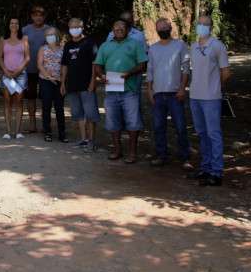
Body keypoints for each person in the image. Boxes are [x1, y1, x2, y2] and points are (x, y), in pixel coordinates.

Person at [95, 19, 148, 162]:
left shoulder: (135, 44)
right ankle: (117, 149)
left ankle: (132, 152)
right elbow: (98, 65)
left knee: (133, 122)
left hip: (129, 90)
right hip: (111, 90)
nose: (120, 29)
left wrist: (130, 73)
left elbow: (143, 64)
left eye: (123, 27)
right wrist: (101, 76)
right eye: (117, 26)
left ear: (127, 30)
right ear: (112, 29)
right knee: (113, 122)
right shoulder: (105, 46)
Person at [187, 15, 231, 186]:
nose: (202, 26)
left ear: (212, 28)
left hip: (211, 98)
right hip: (195, 97)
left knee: (214, 134)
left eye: (205, 24)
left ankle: (216, 172)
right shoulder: (194, 47)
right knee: (202, 133)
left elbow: (226, 73)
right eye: (199, 24)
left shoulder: (218, 46)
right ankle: (205, 168)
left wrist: (214, 88)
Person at [146, 17, 192, 171]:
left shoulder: (180, 45)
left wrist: (182, 88)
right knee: (159, 127)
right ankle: (161, 156)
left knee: (180, 127)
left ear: (170, 27)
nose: (162, 30)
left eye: (164, 27)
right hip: (158, 94)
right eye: (159, 28)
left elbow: (186, 68)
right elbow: (150, 70)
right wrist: (149, 90)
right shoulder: (153, 48)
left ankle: (185, 158)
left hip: (174, 94)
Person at [60, 18, 101, 153]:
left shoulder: (89, 42)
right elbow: (65, 65)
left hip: (86, 84)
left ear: (82, 28)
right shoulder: (68, 45)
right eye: (71, 27)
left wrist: (93, 81)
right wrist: (63, 82)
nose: (74, 29)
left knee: (90, 114)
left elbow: (95, 63)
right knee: (78, 114)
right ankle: (83, 138)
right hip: (72, 85)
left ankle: (91, 140)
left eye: (76, 27)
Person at [106, 11, 148, 116]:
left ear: (133, 21)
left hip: (135, 73)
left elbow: (144, 54)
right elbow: (106, 51)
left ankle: (135, 124)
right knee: (115, 98)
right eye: (124, 19)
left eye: (129, 20)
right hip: (115, 72)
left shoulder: (139, 35)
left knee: (134, 97)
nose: (126, 22)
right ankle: (120, 123)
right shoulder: (111, 34)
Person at [0, 16, 30, 140]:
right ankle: (8, 131)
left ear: (19, 25)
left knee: (19, 102)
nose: (14, 25)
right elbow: (0, 57)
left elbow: (27, 57)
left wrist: (19, 70)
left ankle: (17, 132)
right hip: (7, 75)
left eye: (17, 23)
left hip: (20, 75)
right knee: (7, 102)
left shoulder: (24, 39)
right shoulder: (3, 39)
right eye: (12, 23)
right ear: (8, 25)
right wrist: (5, 71)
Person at [21, 6, 50, 134]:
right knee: (31, 98)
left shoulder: (50, 30)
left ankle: (46, 125)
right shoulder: (25, 30)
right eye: (36, 15)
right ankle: (32, 125)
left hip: (46, 70)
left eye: (41, 15)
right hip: (29, 70)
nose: (38, 17)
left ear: (44, 16)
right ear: (32, 16)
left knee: (46, 98)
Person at [38, 26, 66, 142]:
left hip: (59, 82)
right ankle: (47, 131)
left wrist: (62, 80)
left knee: (59, 107)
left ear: (57, 36)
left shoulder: (63, 49)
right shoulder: (42, 49)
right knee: (46, 107)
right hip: (45, 81)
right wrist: (49, 77)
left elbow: (65, 66)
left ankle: (62, 132)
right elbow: (40, 65)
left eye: (52, 34)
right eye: (48, 35)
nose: (50, 37)